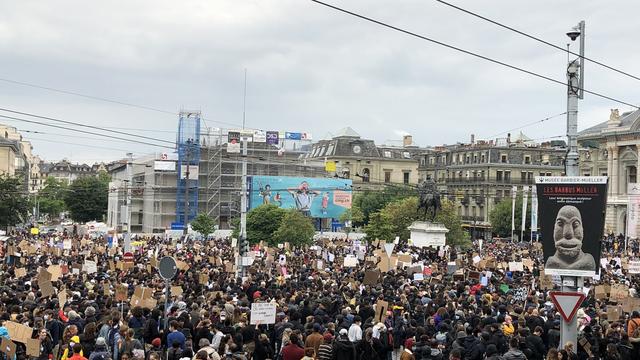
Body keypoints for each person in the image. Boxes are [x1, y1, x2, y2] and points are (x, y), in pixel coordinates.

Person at [545, 205, 596, 271]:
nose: (568, 233)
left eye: (575, 225)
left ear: (582, 229)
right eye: (560, 224)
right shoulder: (550, 263)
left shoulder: (589, 262)